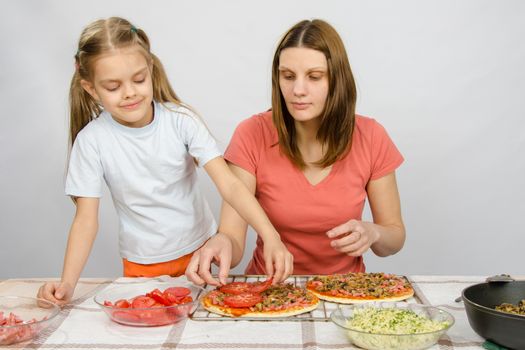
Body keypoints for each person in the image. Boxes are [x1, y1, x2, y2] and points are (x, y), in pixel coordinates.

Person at [37, 17, 290, 306]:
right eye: (113, 86)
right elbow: (86, 219)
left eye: (139, 79)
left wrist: (270, 235)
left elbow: (230, 185)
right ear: (91, 89)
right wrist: (68, 283)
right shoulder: (92, 140)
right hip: (142, 267)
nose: (130, 92)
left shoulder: (181, 121)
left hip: (202, 257)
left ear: (151, 71)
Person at [186, 19, 405, 286]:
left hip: (345, 292)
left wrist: (372, 234)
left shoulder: (371, 136)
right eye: (288, 76)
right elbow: (233, 238)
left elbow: (394, 239)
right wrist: (220, 243)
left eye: (314, 77)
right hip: (270, 290)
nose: (297, 90)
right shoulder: (252, 133)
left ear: (338, 80)